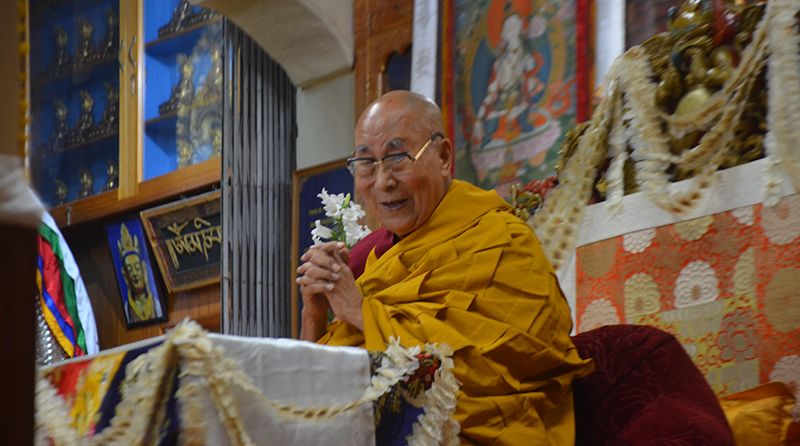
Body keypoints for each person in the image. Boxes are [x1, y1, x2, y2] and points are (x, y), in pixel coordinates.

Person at [296, 90, 592, 445]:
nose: (382, 181)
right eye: (366, 164)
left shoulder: (504, 240)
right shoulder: (378, 261)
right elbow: (310, 399)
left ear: (443, 157)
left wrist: (361, 313)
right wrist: (313, 317)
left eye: (398, 158)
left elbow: (494, 377)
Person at [117, 223, 163, 323]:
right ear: (125, 276)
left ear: (144, 269)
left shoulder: (157, 306)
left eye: (137, 268)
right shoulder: (127, 311)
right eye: (129, 270)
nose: (134, 274)